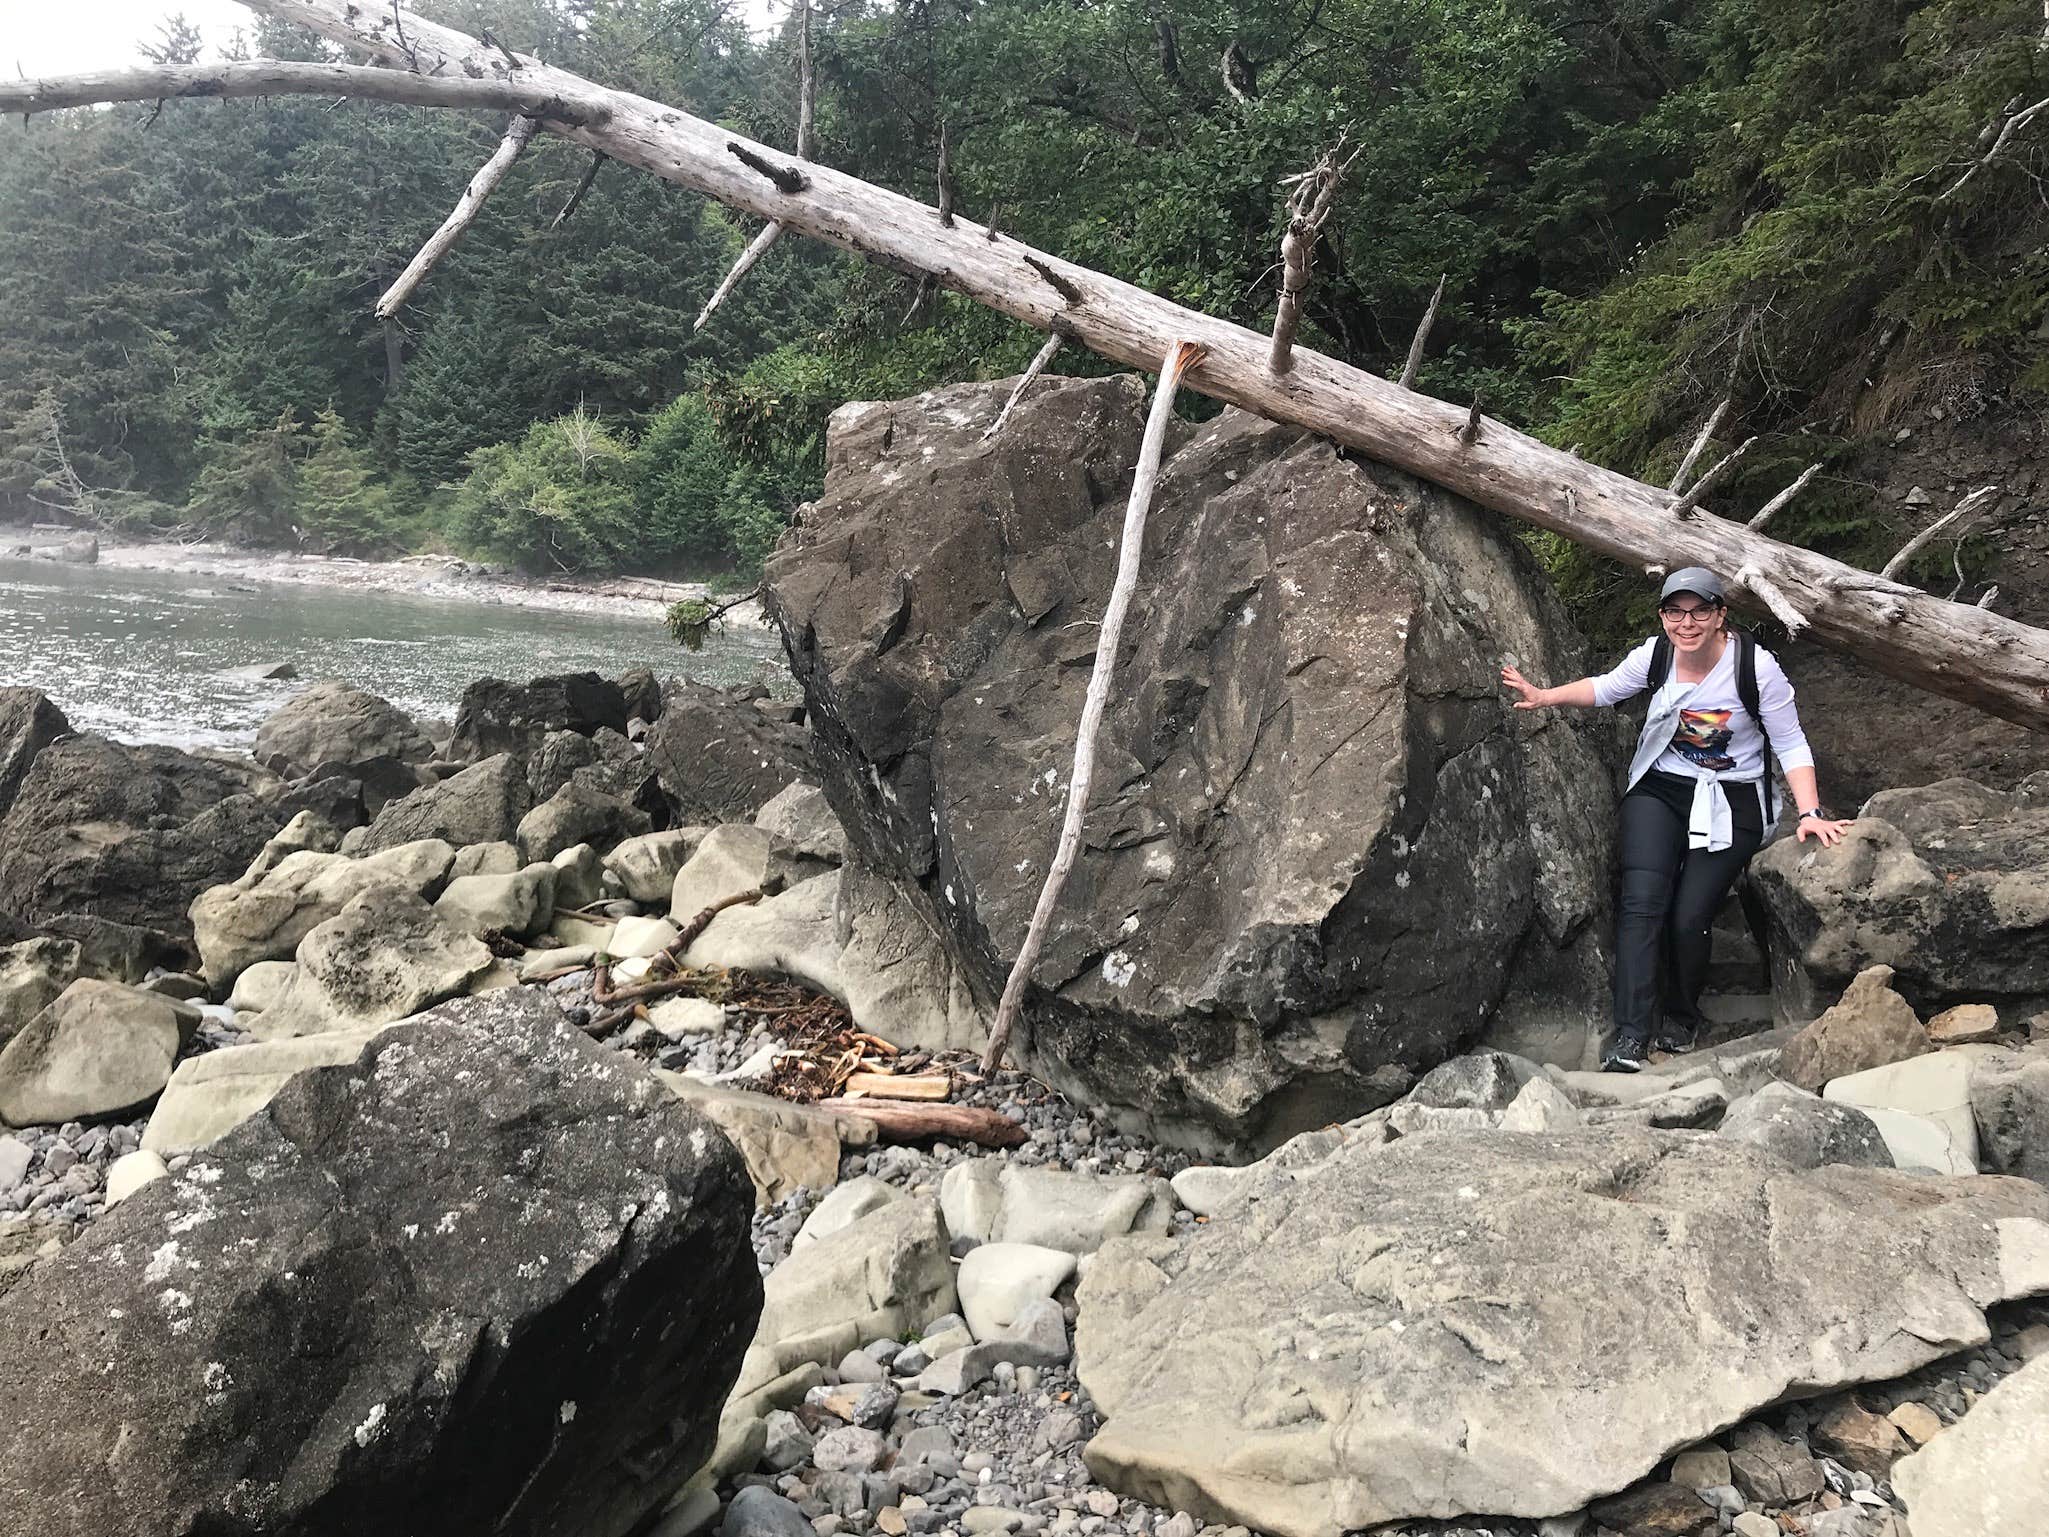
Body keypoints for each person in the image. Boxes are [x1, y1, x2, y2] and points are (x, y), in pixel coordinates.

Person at [1499, 567, 1853, 1071]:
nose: (1686, 623)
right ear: (1663, 616)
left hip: (1732, 798)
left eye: (1700, 610)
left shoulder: (1755, 668)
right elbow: (1605, 688)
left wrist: (1811, 811)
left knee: (1689, 917)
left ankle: (1683, 1016)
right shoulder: (1656, 655)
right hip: (1661, 788)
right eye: (1675, 611)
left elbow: (1791, 741)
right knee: (1642, 903)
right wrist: (1543, 696)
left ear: (1720, 615)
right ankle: (1630, 1036)